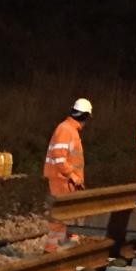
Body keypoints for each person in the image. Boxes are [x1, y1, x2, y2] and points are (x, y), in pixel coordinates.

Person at [43, 98, 90, 249]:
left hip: (66, 180)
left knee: (67, 214)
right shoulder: (66, 130)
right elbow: (59, 158)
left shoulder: (69, 129)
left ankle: (63, 245)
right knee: (61, 215)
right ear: (85, 116)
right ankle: (52, 250)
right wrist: (72, 175)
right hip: (62, 179)